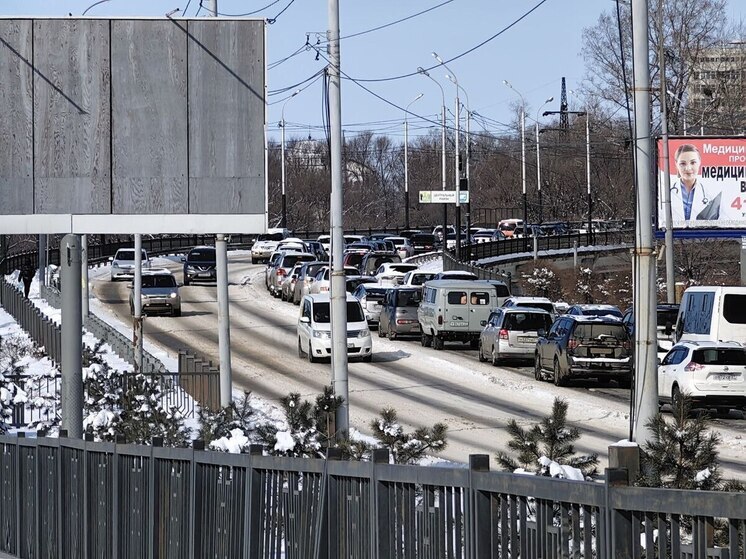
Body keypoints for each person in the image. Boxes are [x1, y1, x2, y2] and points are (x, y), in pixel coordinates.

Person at [669, 144, 721, 222]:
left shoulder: (711, 193)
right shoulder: (665, 191)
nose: (688, 168)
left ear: (699, 162)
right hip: (673, 234)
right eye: (683, 163)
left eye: (693, 163)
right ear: (676, 164)